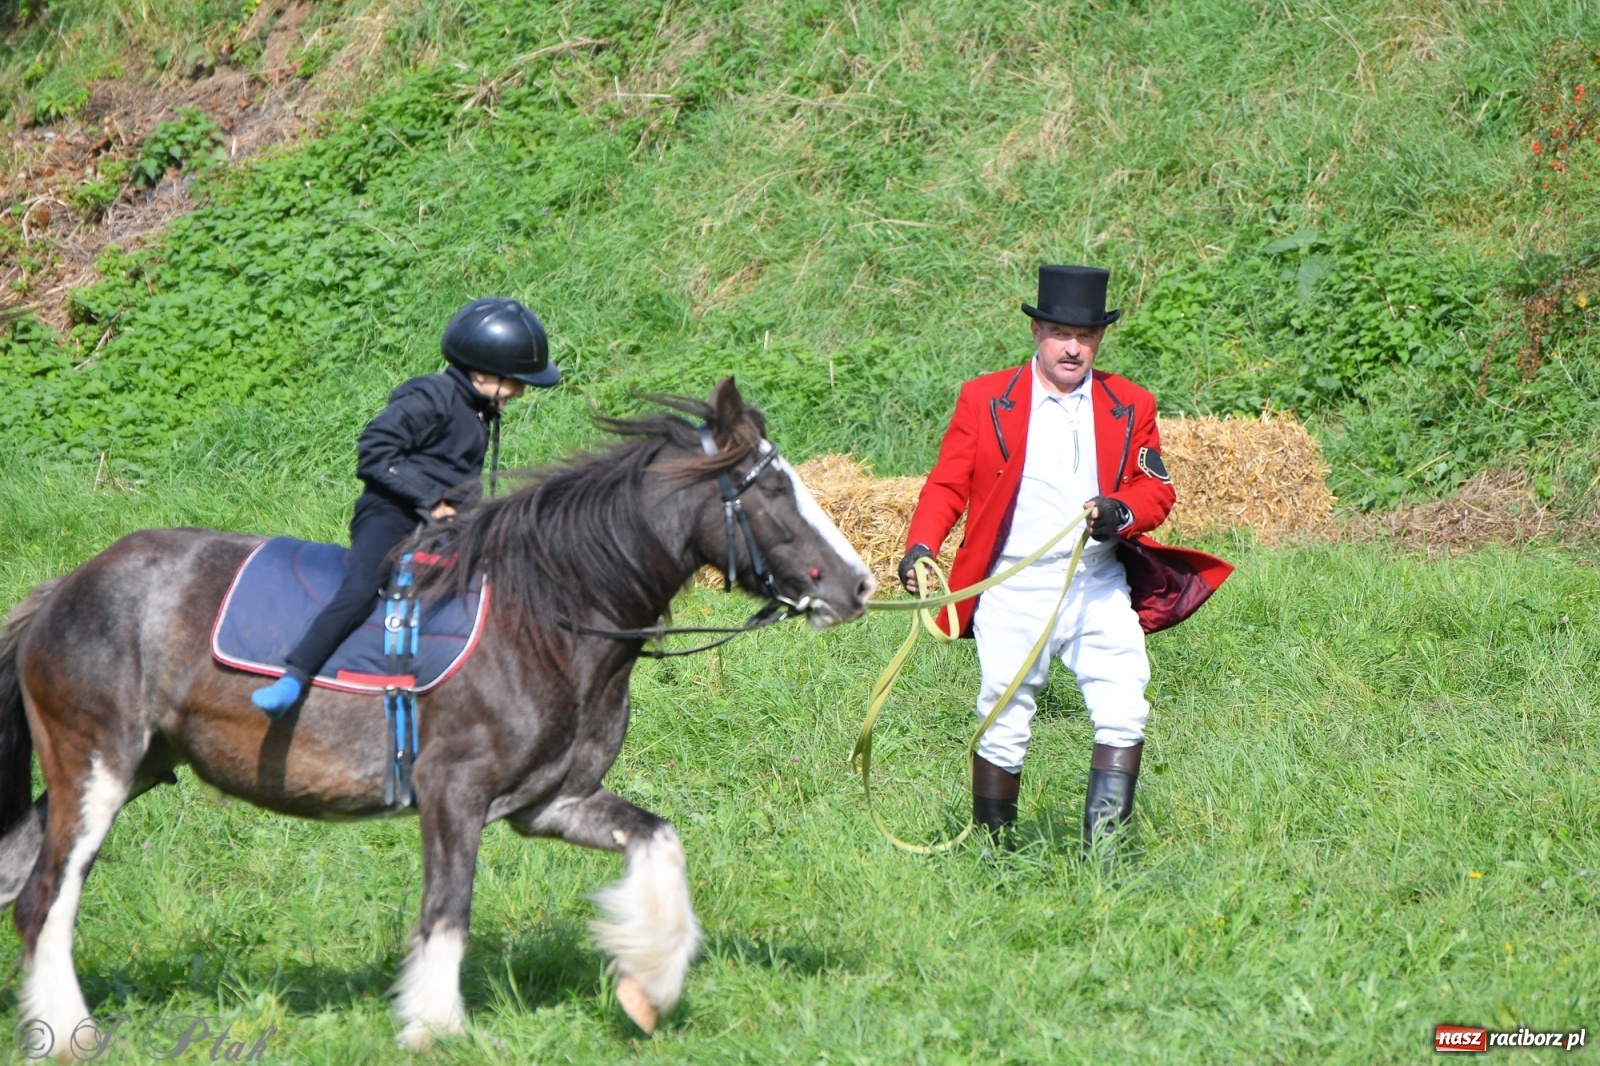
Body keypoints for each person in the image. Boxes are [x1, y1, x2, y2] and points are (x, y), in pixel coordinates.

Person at [897, 265, 1232, 852]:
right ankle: (995, 858)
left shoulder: (1130, 403)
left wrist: (1118, 510)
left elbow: (1156, 492)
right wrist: (921, 546)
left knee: (1125, 704)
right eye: (1059, 332)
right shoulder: (984, 398)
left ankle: (1105, 861)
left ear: (1099, 339)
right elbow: (947, 485)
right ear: (1037, 333)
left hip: (1097, 585)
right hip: (1011, 585)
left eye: (1085, 336)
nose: (1072, 347)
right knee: (1003, 718)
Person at [251, 297, 561, 716]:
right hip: (391, 513)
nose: (520, 391)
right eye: (514, 381)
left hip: (450, 522)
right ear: (482, 372)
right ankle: (294, 677)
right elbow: (375, 454)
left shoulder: (477, 412)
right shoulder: (429, 396)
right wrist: (434, 502)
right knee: (362, 587)